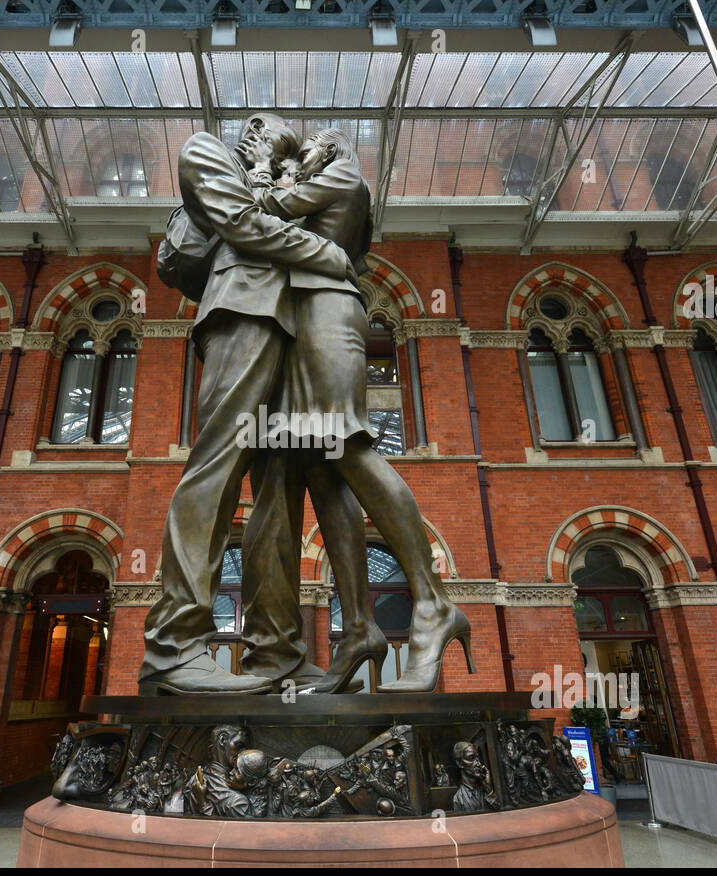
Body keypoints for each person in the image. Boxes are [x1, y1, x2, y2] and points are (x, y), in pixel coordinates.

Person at [241, 127, 471, 693]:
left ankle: (433, 602)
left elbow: (262, 210)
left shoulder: (344, 174)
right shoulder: (325, 185)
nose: (303, 154)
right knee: (323, 467)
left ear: (333, 147)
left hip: (328, 315)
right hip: (304, 320)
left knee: (344, 441)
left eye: (310, 146)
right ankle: (360, 629)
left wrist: (268, 165)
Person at [141, 115, 358, 695]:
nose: (259, 141)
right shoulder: (205, 151)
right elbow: (226, 234)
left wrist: (273, 200)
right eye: (262, 134)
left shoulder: (278, 189)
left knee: (280, 494)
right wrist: (325, 254)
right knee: (217, 465)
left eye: (278, 146)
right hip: (241, 314)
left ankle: (277, 652)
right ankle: (175, 645)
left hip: (291, 330)